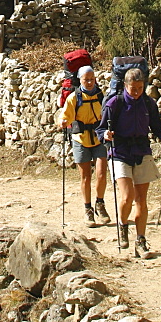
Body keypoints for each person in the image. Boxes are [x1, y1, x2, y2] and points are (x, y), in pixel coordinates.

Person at [99, 67, 161, 258]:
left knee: (141, 200)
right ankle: (123, 225)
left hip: (142, 151)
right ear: (125, 86)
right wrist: (105, 135)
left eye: (140, 88)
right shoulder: (114, 104)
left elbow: (157, 129)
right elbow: (101, 129)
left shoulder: (148, 104)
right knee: (127, 196)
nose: (136, 92)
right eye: (133, 88)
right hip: (119, 152)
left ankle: (141, 241)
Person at [60, 65, 111, 226]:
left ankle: (100, 204)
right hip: (80, 140)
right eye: (86, 79)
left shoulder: (101, 96)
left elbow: (107, 115)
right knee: (86, 177)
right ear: (80, 80)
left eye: (91, 79)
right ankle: (88, 209)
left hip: (99, 139)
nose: (89, 82)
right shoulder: (74, 98)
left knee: (102, 174)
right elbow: (65, 115)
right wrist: (62, 122)